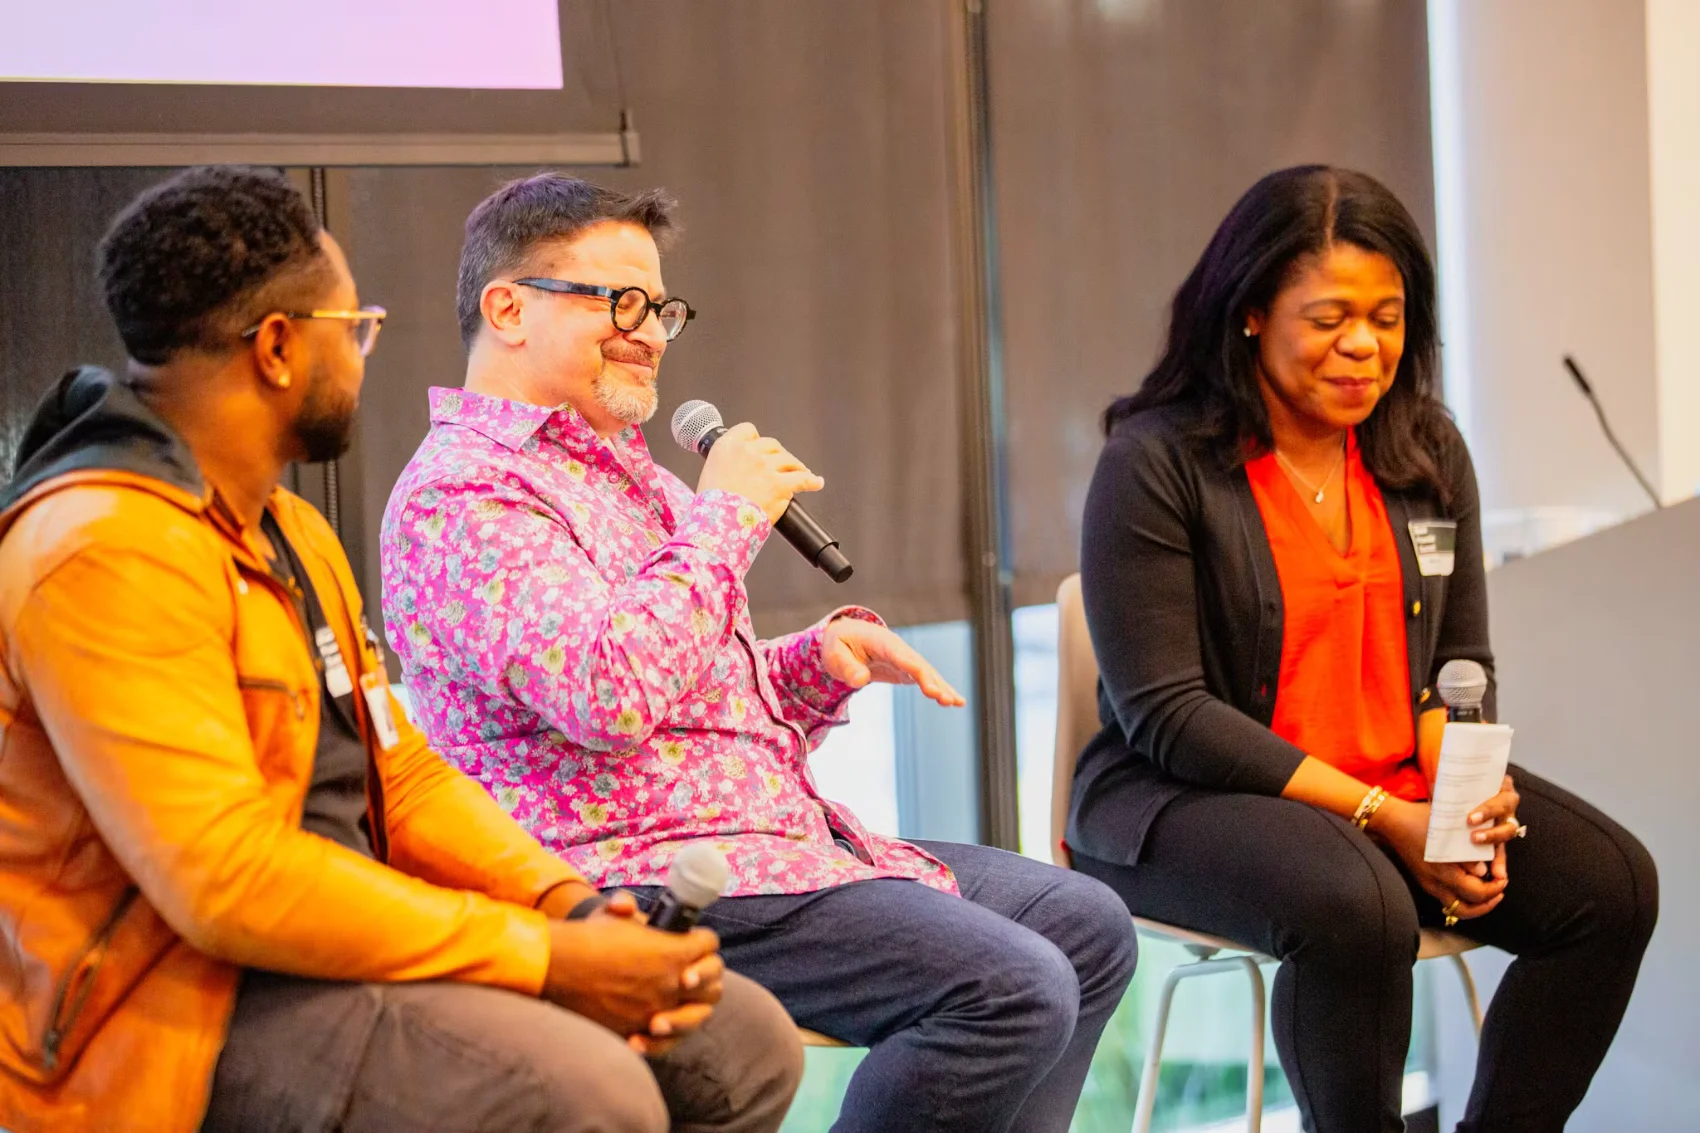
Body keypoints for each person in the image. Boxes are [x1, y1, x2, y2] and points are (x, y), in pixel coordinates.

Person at [0, 166, 803, 1133]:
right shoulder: (102, 550)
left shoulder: (289, 529)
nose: (366, 355)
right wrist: (540, 953)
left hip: (328, 948)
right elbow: (228, 879)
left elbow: (403, 774)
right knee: (591, 1095)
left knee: (739, 1039)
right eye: (358, 328)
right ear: (280, 347)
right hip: (179, 1013)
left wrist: (570, 905)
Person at [380, 172, 1137, 1133]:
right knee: (1012, 985)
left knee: (1089, 928)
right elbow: (607, 693)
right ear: (508, 307)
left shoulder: (627, 472)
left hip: (768, 842)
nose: (649, 331)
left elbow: (686, 689)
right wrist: (727, 514)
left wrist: (814, 661)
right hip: (626, 871)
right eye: (618, 301)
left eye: (660, 307)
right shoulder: (465, 496)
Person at [1070, 165, 1659, 1133]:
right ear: (1250, 311)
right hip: (1175, 798)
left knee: (1610, 886)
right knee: (1360, 901)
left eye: (1385, 317)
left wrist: (1457, 799)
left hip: (1386, 784)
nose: (1361, 346)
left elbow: (1454, 669)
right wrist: (1387, 816)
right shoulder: (1154, 462)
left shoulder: (1422, 450)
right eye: (1329, 315)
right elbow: (1166, 713)